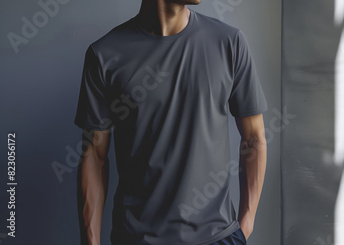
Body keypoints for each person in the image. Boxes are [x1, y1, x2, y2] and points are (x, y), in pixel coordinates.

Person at [73, 1, 268, 244]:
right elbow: (94, 156)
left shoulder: (229, 42)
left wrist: (245, 226)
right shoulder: (104, 54)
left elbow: (254, 138)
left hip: (217, 238)